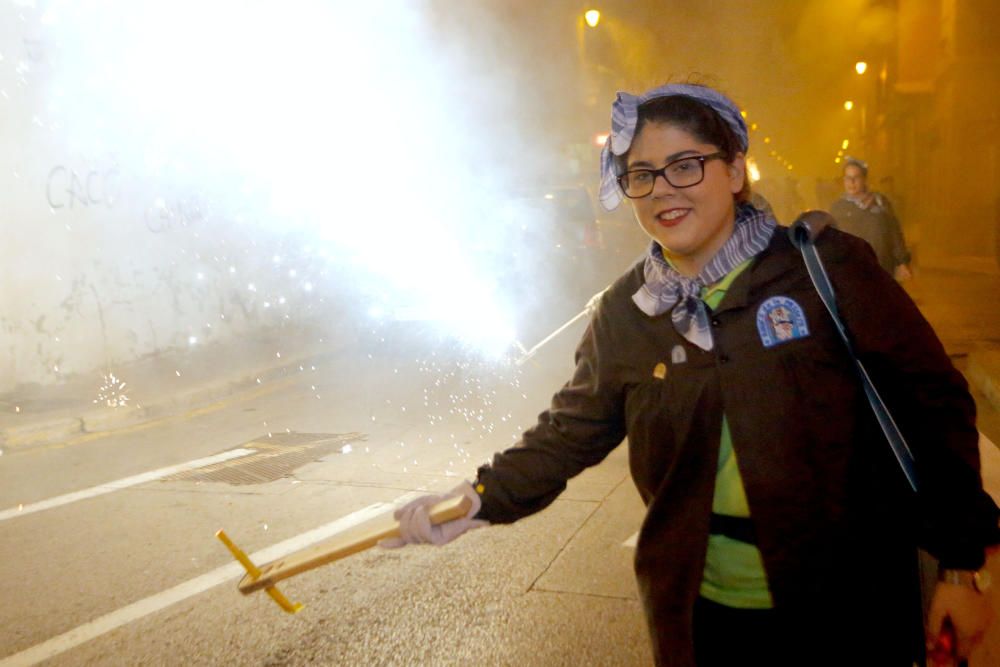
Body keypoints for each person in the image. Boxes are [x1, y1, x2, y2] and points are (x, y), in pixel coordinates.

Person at [381, 83, 998, 666]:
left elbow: (934, 403)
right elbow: (571, 429)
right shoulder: (630, 309)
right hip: (703, 619)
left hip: (848, 607)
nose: (662, 190)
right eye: (641, 175)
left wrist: (961, 565)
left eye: (685, 165)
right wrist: (480, 498)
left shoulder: (824, 270)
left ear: (734, 171)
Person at [830, 156, 913, 281]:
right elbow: (832, 241)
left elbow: (894, 232)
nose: (851, 182)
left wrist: (902, 262)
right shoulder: (838, 207)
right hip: (852, 270)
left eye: (856, 177)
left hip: (881, 267)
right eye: (848, 178)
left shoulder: (880, 202)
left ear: (864, 179)